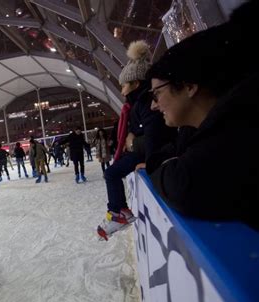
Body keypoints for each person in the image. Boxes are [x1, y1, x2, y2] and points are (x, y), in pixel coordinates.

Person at [144, 0, 258, 230]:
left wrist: (163, 166)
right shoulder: (198, 131)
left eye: (156, 94)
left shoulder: (239, 132)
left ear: (189, 86)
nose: (153, 106)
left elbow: (182, 184)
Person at [97, 40, 175, 240]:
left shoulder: (146, 104)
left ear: (136, 84)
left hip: (146, 152)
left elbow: (155, 135)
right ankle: (119, 210)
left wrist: (148, 159)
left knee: (112, 173)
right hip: (140, 151)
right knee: (112, 172)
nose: (122, 90)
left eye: (124, 85)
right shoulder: (135, 106)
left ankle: (118, 212)